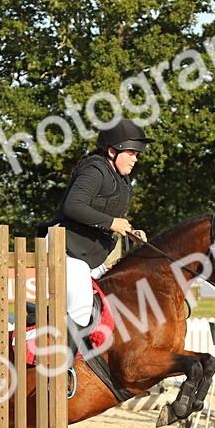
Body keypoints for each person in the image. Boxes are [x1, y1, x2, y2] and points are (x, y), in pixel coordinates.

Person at [39, 119, 150, 350]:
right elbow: (73, 206)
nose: (135, 158)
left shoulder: (121, 179)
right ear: (112, 150)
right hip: (66, 249)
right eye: (130, 153)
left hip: (88, 257)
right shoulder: (95, 169)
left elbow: (104, 216)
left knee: (111, 301)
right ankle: (64, 368)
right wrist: (112, 223)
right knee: (81, 309)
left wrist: (129, 231)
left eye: (136, 154)